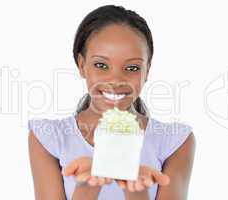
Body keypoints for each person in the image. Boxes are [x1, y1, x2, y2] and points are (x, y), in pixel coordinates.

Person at [28, 5, 196, 200]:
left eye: (132, 67)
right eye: (101, 65)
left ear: (147, 71)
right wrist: (86, 188)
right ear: (81, 65)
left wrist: (137, 191)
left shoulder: (175, 142)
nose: (115, 80)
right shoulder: (48, 138)